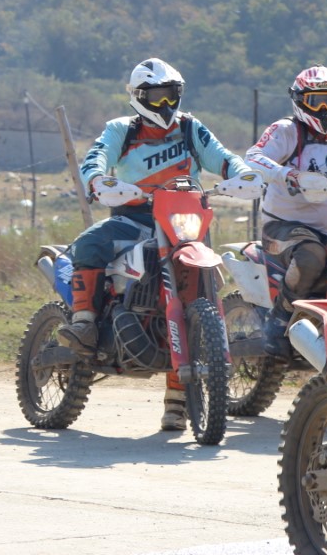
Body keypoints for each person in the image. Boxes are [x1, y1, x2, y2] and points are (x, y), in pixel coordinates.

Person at [57, 57, 253, 431]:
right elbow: (96, 158)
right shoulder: (121, 129)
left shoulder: (191, 128)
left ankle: (177, 403)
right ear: (138, 96)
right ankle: (84, 322)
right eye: (156, 96)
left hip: (185, 225)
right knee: (88, 244)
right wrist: (97, 180)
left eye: (171, 95)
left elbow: (223, 158)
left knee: (198, 297)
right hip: (134, 220)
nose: (164, 104)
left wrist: (244, 174)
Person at [244, 66, 327, 362]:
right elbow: (253, 158)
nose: (324, 109)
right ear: (301, 101)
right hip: (283, 226)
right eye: (317, 101)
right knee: (311, 254)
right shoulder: (286, 131)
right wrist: (287, 175)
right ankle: (279, 319)